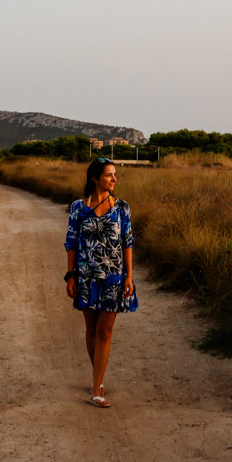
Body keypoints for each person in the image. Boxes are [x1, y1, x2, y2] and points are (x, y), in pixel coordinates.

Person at [64, 158, 138, 408]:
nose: (114, 179)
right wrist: (70, 275)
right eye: (108, 175)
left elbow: (127, 243)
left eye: (114, 174)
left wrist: (129, 276)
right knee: (91, 329)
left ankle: (96, 389)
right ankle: (98, 377)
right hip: (85, 277)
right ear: (95, 178)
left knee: (104, 331)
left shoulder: (122, 208)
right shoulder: (78, 207)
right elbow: (71, 243)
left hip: (113, 278)